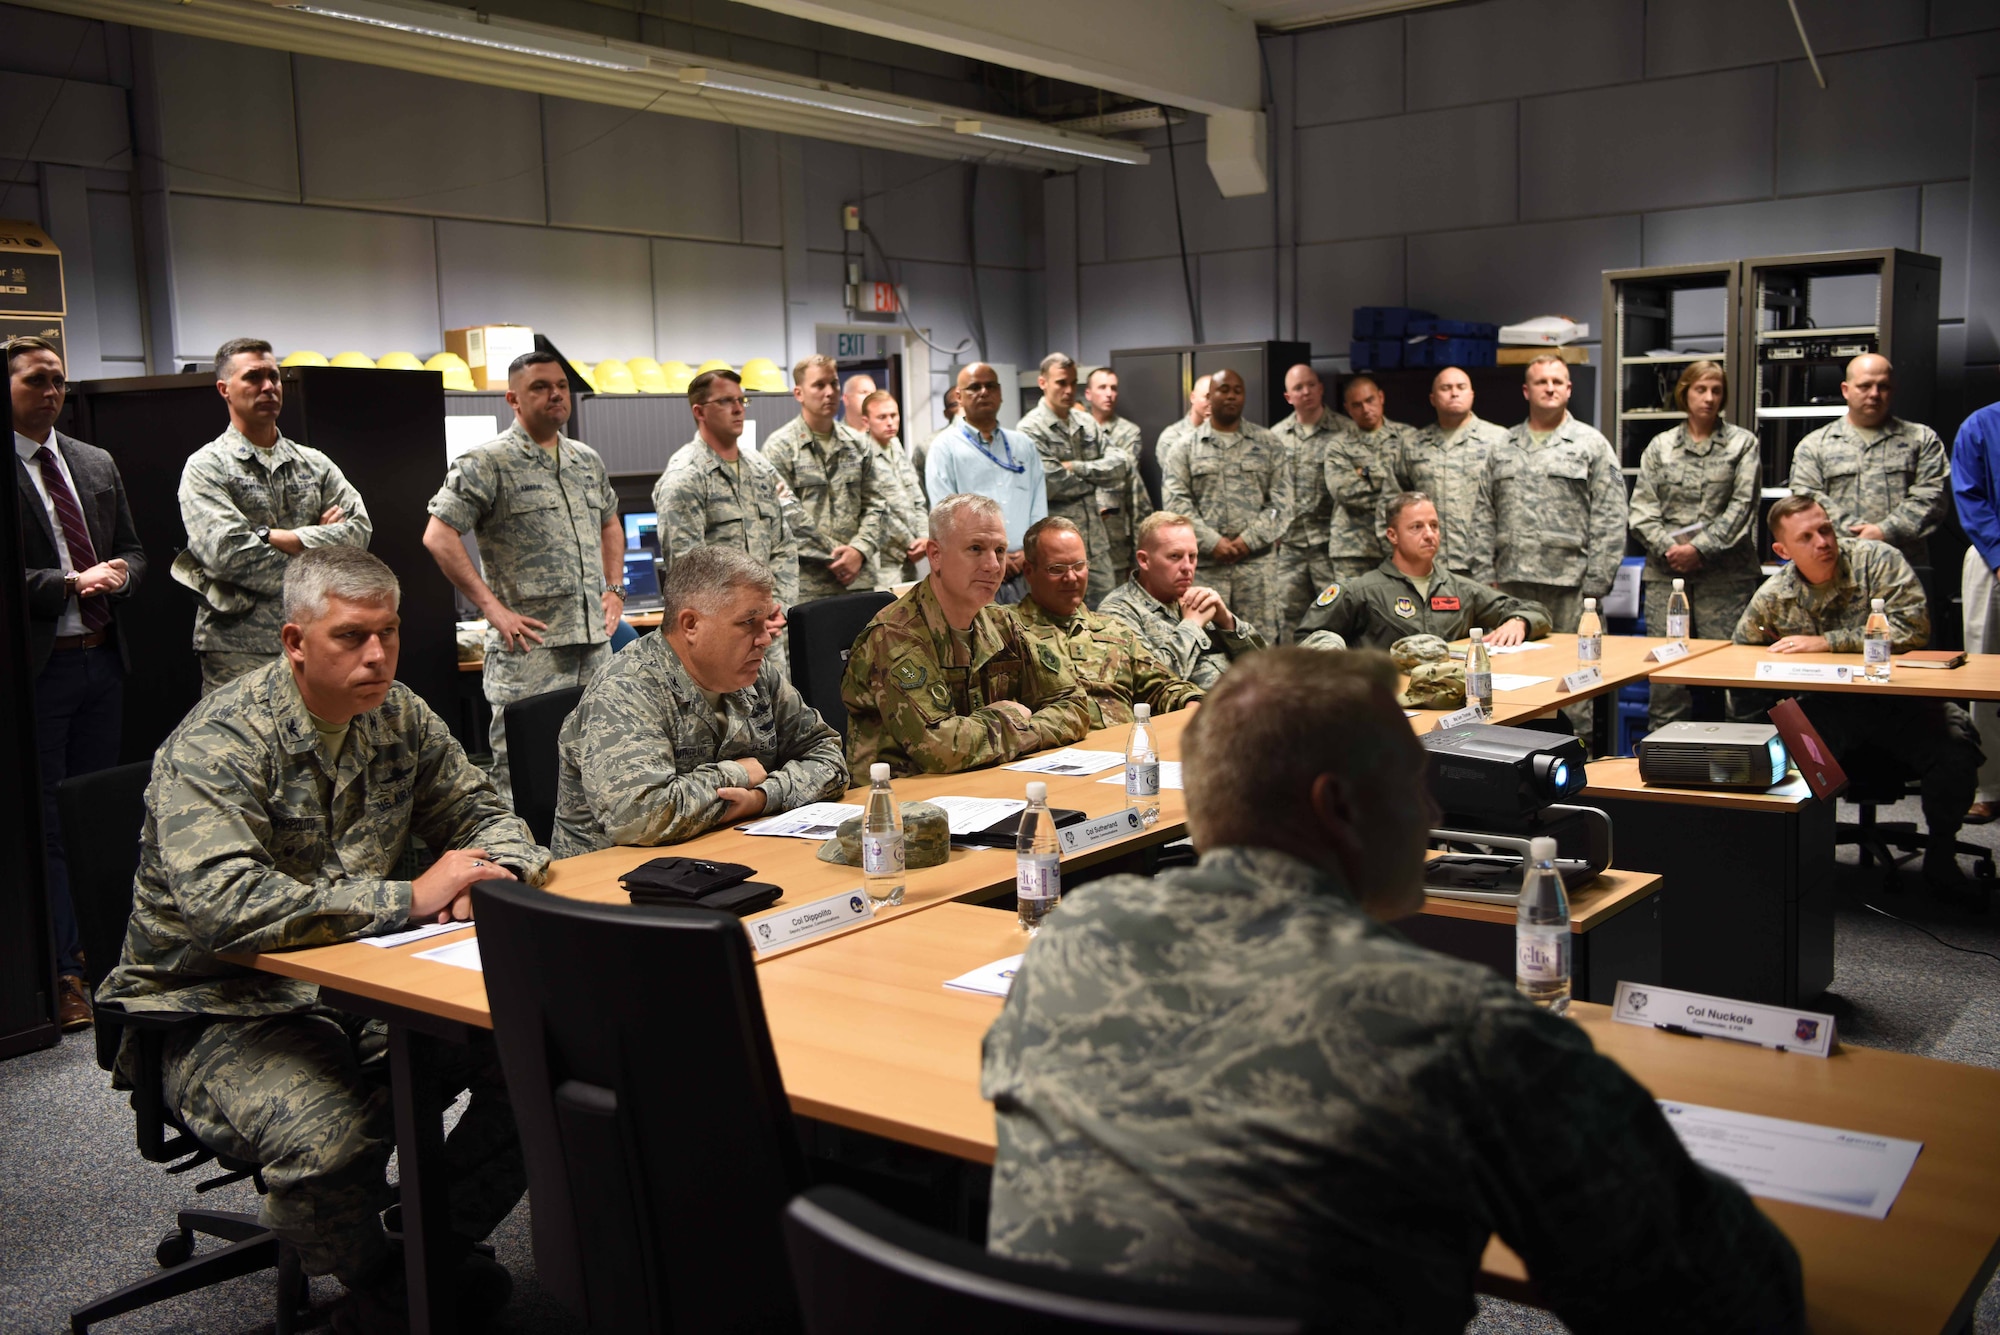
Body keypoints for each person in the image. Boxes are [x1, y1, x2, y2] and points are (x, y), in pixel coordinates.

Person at [982, 648, 1805, 1333]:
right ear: (1339, 807)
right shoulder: (1455, 1025)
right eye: (1415, 779)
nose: (1433, 806)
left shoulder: (1072, 941)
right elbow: (1728, 1297)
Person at [98, 547, 542, 1333]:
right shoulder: (221, 743)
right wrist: (409, 895)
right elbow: (224, 907)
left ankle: (429, 1246)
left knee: (541, 1055)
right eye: (351, 636)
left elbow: (486, 811)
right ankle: (373, 1283)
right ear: (294, 641)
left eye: (390, 632)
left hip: (356, 986)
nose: (377, 655)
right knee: (331, 1137)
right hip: (212, 1007)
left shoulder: (397, 713)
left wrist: (489, 868)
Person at [1736, 496, 1981, 895]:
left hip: (1903, 704)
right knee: (1787, 746)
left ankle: (1941, 853)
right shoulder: (1775, 593)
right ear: (1783, 551)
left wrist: (1827, 643)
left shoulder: (1878, 560)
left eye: (1826, 529)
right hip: (1829, 709)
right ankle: (1797, 858)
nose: (1823, 541)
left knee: (1956, 744)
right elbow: (1741, 650)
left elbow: (1913, 628)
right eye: (1808, 536)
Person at [12, 335, 146, 1031]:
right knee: (52, 824)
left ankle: (107, 955)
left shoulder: (93, 461)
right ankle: (65, 968)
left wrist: (120, 574)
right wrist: (66, 582)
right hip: (42, 668)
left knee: (96, 811)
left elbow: (134, 547)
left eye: (59, 380)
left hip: (102, 658)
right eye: (37, 380)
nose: (52, 391)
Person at [551, 545, 847, 857]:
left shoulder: (756, 675)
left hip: (725, 855)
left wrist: (762, 796)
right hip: (612, 884)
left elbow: (829, 758)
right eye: (749, 622)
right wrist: (738, 774)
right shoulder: (626, 690)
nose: (765, 638)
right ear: (691, 625)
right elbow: (639, 818)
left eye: (766, 620)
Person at [423, 350, 621, 807]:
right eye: (540, 387)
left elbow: (610, 521)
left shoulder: (585, 460)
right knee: (525, 774)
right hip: (530, 648)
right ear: (513, 398)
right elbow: (438, 535)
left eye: (561, 386)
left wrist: (614, 590)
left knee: (599, 762)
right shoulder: (487, 461)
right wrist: (492, 609)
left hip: (592, 643)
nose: (555, 394)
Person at [842, 493, 1089, 777]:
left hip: (983, 784)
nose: (994, 566)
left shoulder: (1000, 621)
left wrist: (1016, 731)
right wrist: (1010, 718)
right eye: (975, 548)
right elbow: (943, 749)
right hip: (902, 801)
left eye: (999, 550)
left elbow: (1075, 704)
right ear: (935, 556)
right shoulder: (895, 635)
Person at [179, 337, 371, 694]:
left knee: (320, 745)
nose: (268, 387)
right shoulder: (206, 468)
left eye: (274, 376)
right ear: (224, 389)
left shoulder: (313, 463)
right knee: (245, 748)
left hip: (315, 640)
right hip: (239, 649)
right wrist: (319, 553)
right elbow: (230, 556)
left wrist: (280, 537)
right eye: (253, 377)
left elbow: (359, 533)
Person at [1473, 354, 1626, 742]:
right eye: (1542, 382)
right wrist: (1483, 580)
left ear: (1569, 389)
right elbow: (1481, 514)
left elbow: (1611, 516)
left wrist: (1596, 585)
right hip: (1511, 590)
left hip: (1572, 591)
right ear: (1527, 390)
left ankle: (1578, 769)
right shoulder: (1502, 445)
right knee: (1512, 687)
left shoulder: (1591, 444)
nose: (1551, 388)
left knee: (1575, 688)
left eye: (1558, 381)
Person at [1627, 361, 1763, 730]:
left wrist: (1699, 549)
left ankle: (1741, 761)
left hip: (1725, 579)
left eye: (1717, 391)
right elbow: (1641, 509)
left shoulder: (1741, 444)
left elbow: (1742, 508)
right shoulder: (1661, 446)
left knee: (1733, 677)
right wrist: (1670, 550)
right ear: (1684, 392)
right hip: (1667, 574)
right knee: (1667, 678)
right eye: (1701, 389)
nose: (1709, 398)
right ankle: (1662, 763)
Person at [1010, 516, 1203, 730]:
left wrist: (1190, 701)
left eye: (1079, 566)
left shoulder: (1114, 630)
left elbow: (1162, 686)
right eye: (1057, 569)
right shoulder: (1007, 629)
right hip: (1053, 753)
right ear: (1029, 571)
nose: (1071, 577)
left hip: (1124, 748)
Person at [1298, 492, 1548, 652]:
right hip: (1385, 703)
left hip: (1449, 698)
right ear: (1392, 535)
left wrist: (1520, 621)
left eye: (1434, 526)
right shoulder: (1359, 591)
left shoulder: (1459, 588)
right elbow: (1306, 640)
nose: (1429, 534)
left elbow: (1534, 609)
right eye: (1417, 527)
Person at [1159, 368, 1293, 639]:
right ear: (1209, 397)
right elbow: (1177, 504)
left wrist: (1248, 540)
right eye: (1223, 390)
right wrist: (1212, 542)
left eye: (1237, 391)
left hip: (1257, 571)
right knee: (1206, 646)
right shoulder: (1184, 448)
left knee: (1260, 647)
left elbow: (1282, 504)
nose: (1231, 396)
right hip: (1207, 569)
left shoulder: (1268, 444)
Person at [655, 367, 801, 612]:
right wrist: (741, 617)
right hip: (719, 634)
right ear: (699, 411)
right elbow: (687, 575)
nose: (738, 408)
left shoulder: (760, 468)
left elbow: (784, 546)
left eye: (741, 400)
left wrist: (779, 608)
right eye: (725, 401)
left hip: (769, 628)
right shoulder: (685, 477)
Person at [1788, 354, 1947, 574]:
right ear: (1845, 390)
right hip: (1837, 565)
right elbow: (1807, 499)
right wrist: (1856, 535)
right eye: (1865, 386)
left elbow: (1932, 497)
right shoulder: (1815, 445)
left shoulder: (1921, 439)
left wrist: (1884, 531)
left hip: (1903, 567)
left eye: (1883, 386)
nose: (1874, 394)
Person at [762, 354, 890, 602]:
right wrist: (837, 556)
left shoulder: (858, 444)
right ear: (799, 393)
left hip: (858, 580)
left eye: (834, 384)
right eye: (819, 385)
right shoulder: (780, 447)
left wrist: (859, 550)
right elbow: (783, 516)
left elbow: (878, 504)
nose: (829, 392)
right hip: (807, 584)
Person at [1100, 511, 1267, 689]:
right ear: (1144, 560)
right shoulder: (1118, 611)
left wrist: (1227, 622)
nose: (1187, 567)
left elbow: (1265, 668)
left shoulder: (1197, 598)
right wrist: (1192, 625)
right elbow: (1148, 684)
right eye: (1175, 556)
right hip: (1191, 712)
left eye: (1192, 557)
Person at [924, 363, 1048, 605]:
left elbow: (1038, 505)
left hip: (1026, 570)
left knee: (1028, 640)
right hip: (974, 573)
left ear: (1000, 392)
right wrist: (992, 556)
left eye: (990, 386)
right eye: (974, 387)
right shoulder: (944, 448)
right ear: (959, 396)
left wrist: (1029, 551)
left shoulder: (1024, 445)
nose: (983, 392)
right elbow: (945, 520)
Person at [1019, 353, 1134, 608]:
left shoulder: (1086, 422)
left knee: (1107, 616)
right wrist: (1097, 479)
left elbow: (1121, 464)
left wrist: (1078, 467)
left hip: (1096, 544)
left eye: (1073, 383)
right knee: (1061, 618)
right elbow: (1052, 481)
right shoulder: (1029, 429)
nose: (1069, 390)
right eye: (1061, 382)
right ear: (1042, 382)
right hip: (1056, 553)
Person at [1395, 365, 1508, 578]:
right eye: (1446, 388)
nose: (1454, 393)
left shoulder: (1499, 440)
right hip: (1426, 562)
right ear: (1433, 398)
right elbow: (1394, 501)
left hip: (1482, 564)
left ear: (1472, 395)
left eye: (1461, 387)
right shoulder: (1413, 444)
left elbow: (1511, 503)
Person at [1270, 363, 1348, 643]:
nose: (1306, 392)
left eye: (1311, 385)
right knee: (1289, 616)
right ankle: (1294, 679)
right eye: (1298, 388)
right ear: (1288, 397)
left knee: (1335, 615)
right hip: (1290, 546)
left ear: (1321, 388)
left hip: (1330, 545)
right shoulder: (1276, 437)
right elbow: (1269, 491)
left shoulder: (1345, 431)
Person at [1951, 399, 2000, 823]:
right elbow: (1970, 495)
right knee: (1987, 674)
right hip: (1992, 558)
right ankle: (1988, 787)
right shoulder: (1981, 425)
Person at [1324, 373, 1416, 582]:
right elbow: (1343, 491)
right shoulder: (1338, 445)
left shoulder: (1408, 437)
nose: (1366, 409)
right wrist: (1391, 487)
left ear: (1381, 397)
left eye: (1370, 400)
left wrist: (1364, 473)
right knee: (1353, 610)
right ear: (1347, 408)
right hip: (1353, 548)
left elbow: (1417, 488)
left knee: (1402, 609)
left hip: (1399, 545)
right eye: (1357, 405)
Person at [1082, 366, 1153, 590]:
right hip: (1079, 527)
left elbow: (1119, 475)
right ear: (1088, 393)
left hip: (1113, 533)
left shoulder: (1128, 432)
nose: (1109, 393)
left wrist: (1080, 469)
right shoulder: (1077, 427)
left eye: (1113, 388)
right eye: (1102, 387)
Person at [859, 388, 930, 588]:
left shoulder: (896, 447)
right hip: (884, 561)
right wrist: (911, 543)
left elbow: (918, 499)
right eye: (882, 417)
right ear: (866, 421)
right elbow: (878, 509)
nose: (890, 422)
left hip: (910, 559)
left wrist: (924, 537)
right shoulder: (861, 455)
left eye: (893, 415)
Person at [1147, 373, 1211, 511]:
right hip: (1185, 519)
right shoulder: (1172, 438)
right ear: (1193, 397)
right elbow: (1183, 483)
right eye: (1207, 397)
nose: (1211, 403)